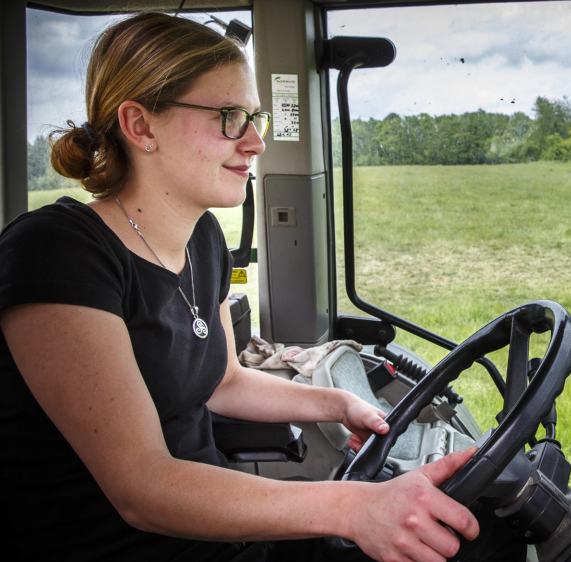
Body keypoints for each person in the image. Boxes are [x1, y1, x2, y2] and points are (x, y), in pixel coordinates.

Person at [0, 12, 478, 562]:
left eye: (256, 117)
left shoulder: (202, 238)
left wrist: (336, 402)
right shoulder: (57, 251)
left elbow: (224, 382)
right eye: (229, 117)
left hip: (220, 537)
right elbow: (141, 487)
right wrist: (350, 506)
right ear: (141, 126)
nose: (254, 142)